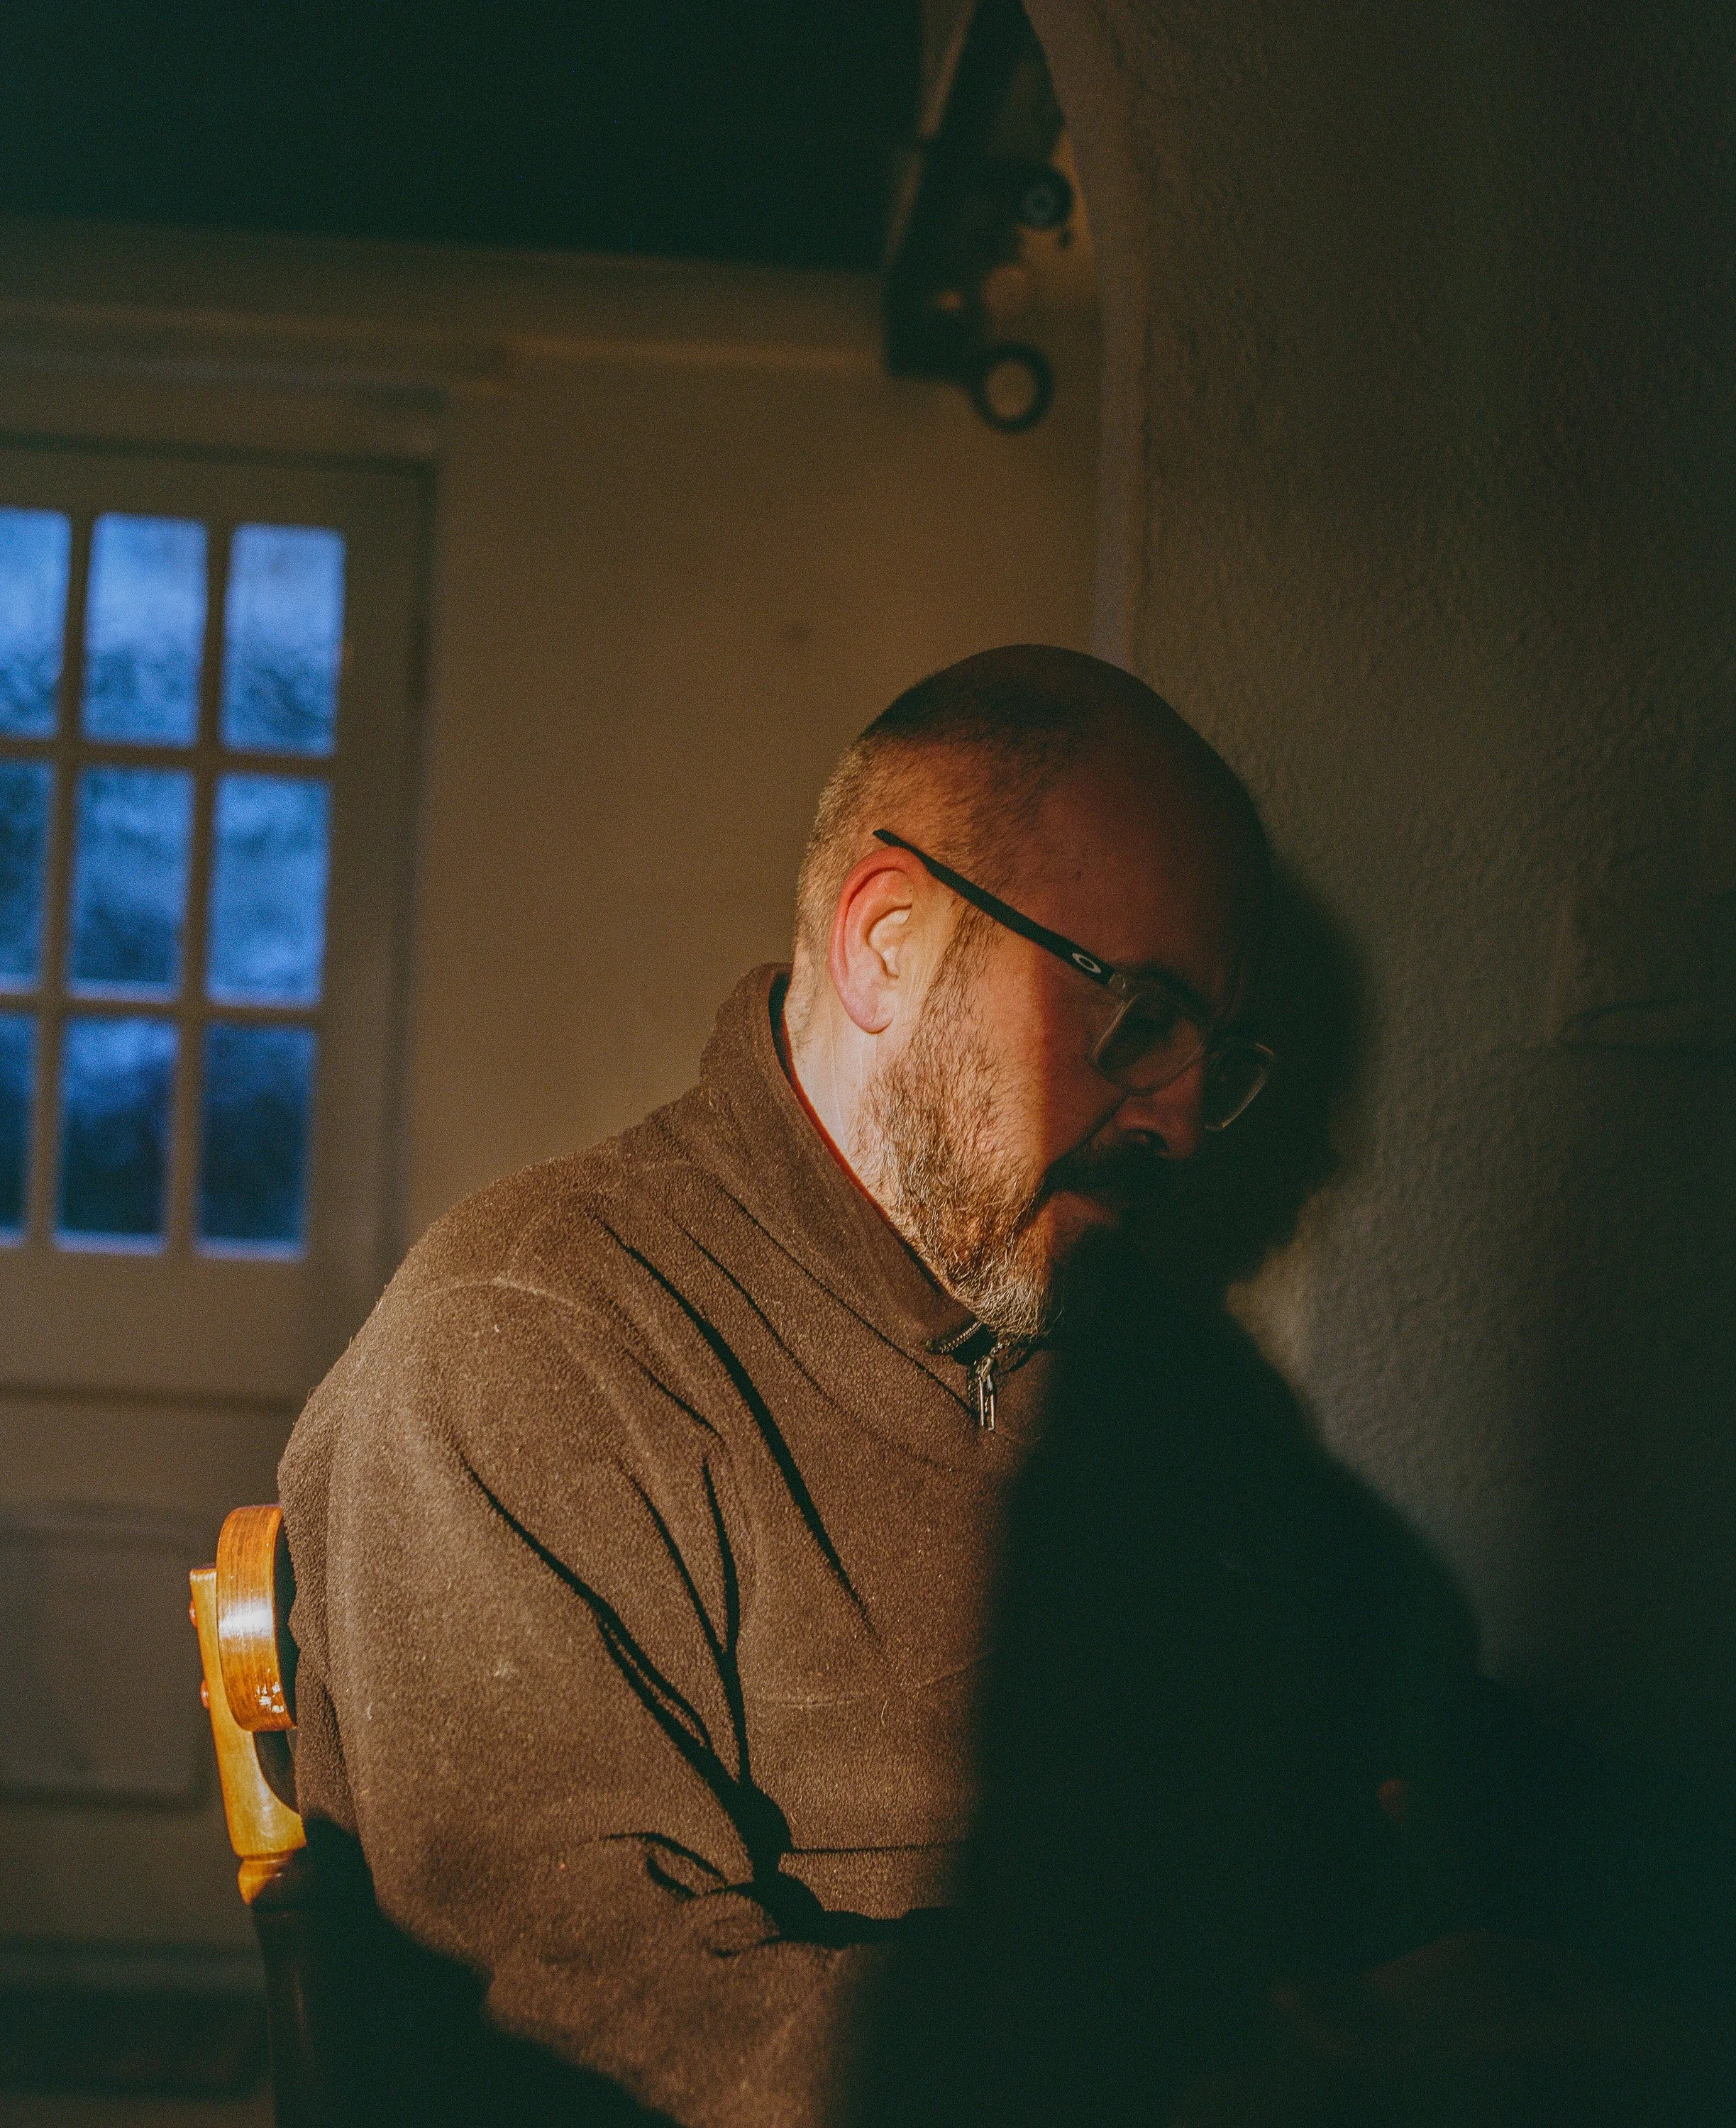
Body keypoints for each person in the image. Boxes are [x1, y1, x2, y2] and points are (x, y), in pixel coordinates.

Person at [278, 648, 1715, 2127]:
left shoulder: (1142, 1366)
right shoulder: (531, 1340)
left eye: (1210, 1060)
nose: (1176, 1123)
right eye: (1135, 1016)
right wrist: (1304, 2064)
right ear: (887, 943)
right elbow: (589, 2016)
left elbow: (1393, 1708)